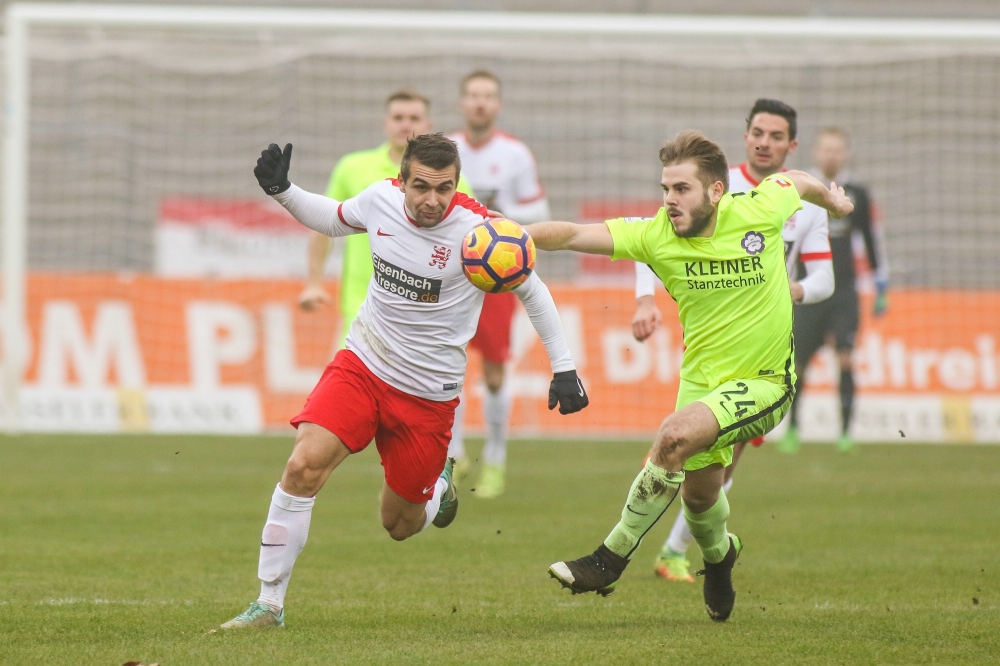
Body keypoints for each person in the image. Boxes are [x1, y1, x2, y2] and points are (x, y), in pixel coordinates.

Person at [219, 134, 589, 630]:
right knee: (303, 466)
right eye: (421, 187)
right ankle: (268, 604)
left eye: (444, 188)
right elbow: (333, 218)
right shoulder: (379, 200)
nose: (432, 200)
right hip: (363, 364)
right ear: (402, 180)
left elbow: (534, 292)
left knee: (399, 524)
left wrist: (563, 368)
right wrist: (283, 190)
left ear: (456, 185)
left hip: (428, 396)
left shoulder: (482, 232)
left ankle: (439, 490)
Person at [527, 130, 852, 622]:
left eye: (681, 189)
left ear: (716, 191)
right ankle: (720, 558)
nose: (670, 200)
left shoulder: (759, 209)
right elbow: (571, 234)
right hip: (702, 386)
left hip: (766, 381)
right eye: (665, 189)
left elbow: (800, 180)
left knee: (672, 437)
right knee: (700, 500)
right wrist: (507, 233)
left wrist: (834, 202)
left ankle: (609, 558)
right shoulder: (655, 234)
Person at [633, 99, 834, 583]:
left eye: (776, 136)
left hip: (761, 348)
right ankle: (677, 542)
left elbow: (825, 279)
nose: (765, 142)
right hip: (708, 341)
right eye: (758, 133)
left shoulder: (800, 201)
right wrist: (644, 300)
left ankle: (675, 550)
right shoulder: (710, 186)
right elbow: (648, 239)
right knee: (697, 451)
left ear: (791, 145)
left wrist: (792, 289)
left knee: (723, 458)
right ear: (745, 138)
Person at [297, 90, 474, 346]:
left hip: (422, 315)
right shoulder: (352, 168)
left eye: (414, 118)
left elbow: (469, 241)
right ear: (385, 123)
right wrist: (314, 282)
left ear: (428, 125)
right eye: (398, 117)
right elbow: (323, 224)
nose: (406, 124)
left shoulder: (453, 182)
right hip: (360, 307)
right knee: (344, 372)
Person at [446, 70, 552, 497]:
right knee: (448, 365)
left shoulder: (514, 154)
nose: (480, 103)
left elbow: (539, 212)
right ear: (462, 102)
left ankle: (494, 459)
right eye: (473, 95)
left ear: (498, 104)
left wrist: (499, 216)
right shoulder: (445, 149)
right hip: (450, 273)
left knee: (493, 371)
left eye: (488, 95)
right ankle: (453, 455)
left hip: (495, 276)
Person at [781, 126, 889, 454]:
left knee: (845, 358)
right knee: (798, 363)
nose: (831, 155)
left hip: (843, 292)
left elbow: (870, 238)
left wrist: (880, 283)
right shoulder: (800, 187)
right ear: (816, 153)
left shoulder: (857, 192)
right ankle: (792, 429)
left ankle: (845, 433)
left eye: (837, 149)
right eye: (825, 149)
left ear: (846, 154)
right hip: (807, 288)